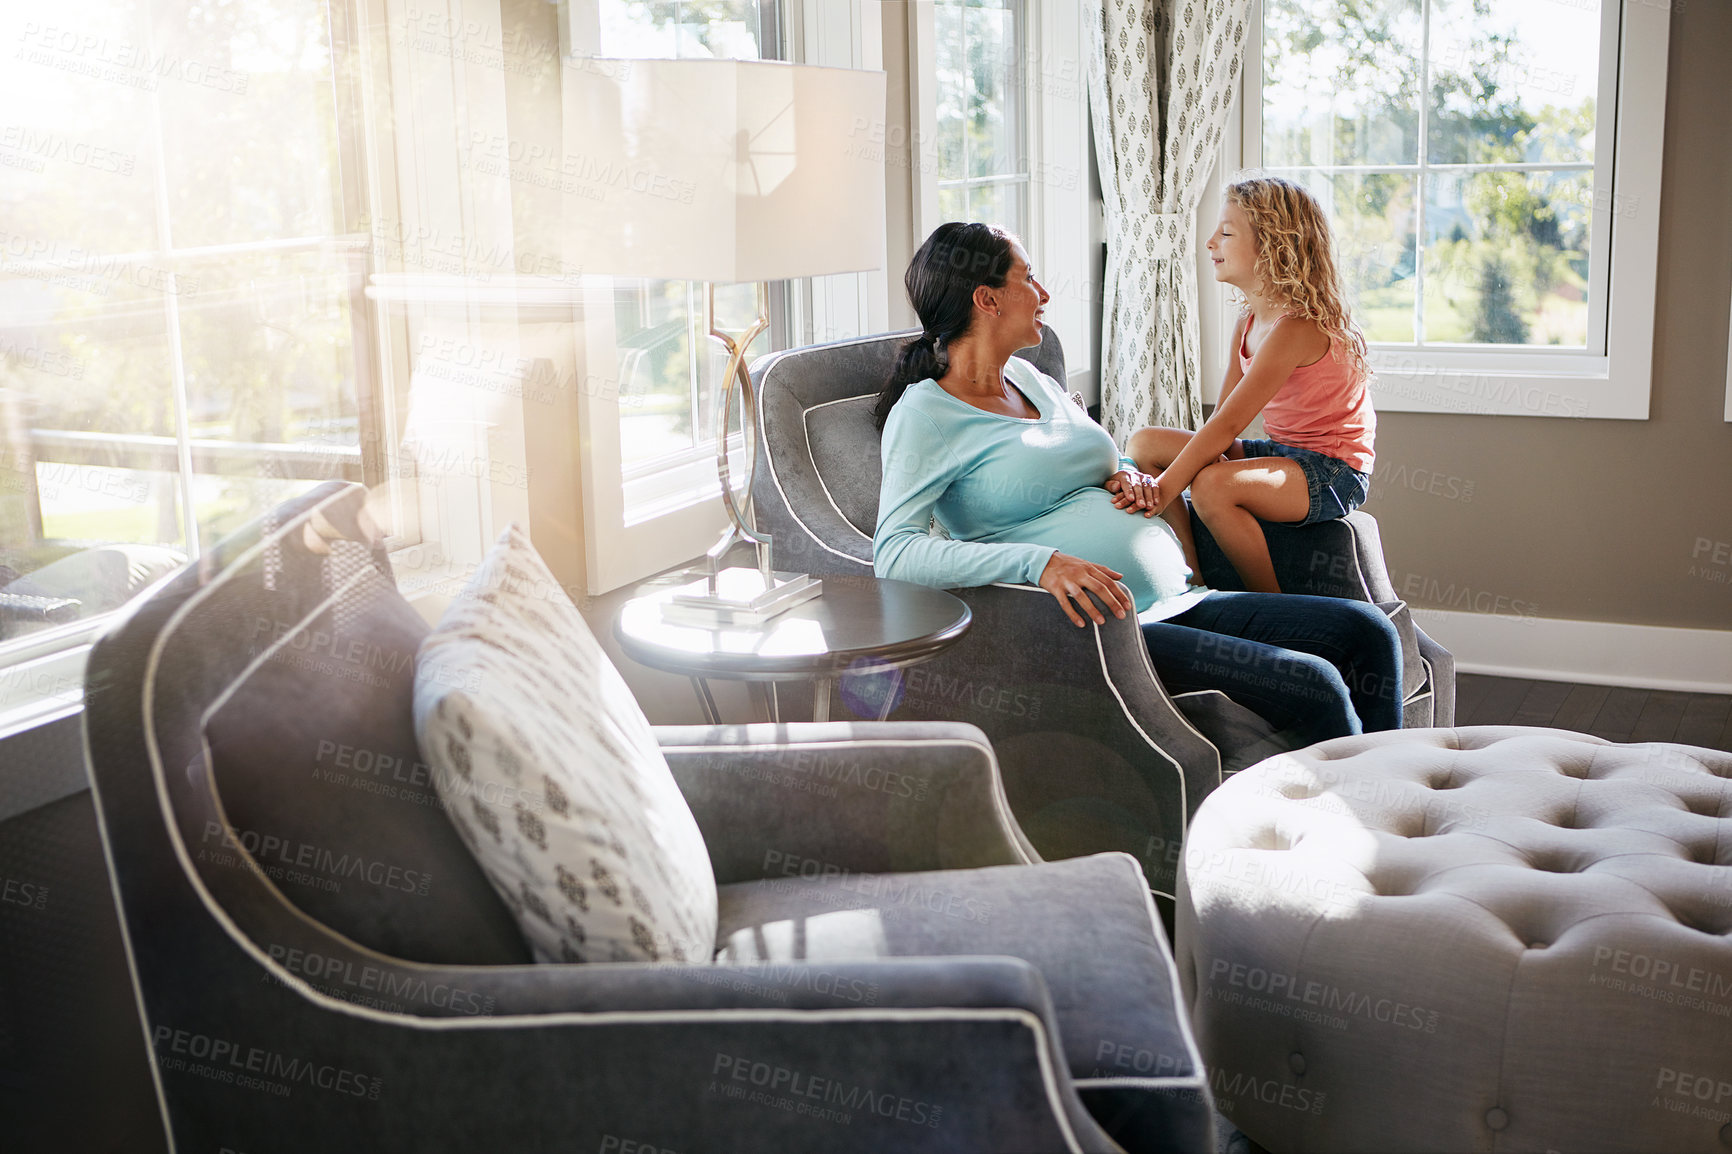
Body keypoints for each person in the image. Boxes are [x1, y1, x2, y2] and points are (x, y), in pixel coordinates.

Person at [872, 221, 1402, 746]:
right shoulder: (926, 414)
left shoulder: (1029, 378)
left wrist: (1125, 472)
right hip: (1116, 631)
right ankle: (1341, 821)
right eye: (1028, 277)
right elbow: (895, 553)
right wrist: (1039, 562)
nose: (1045, 293)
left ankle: (1401, 798)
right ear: (986, 299)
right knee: (1313, 683)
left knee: (1367, 632)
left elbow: (1089, 463)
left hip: (1185, 596)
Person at [1120, 175, 1376, 594]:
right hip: (1282, 454)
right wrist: (1160, 477)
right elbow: (1220, 420)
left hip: (1333, 470)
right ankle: (1191, 574)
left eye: (1225, 233)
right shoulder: (1249, 321)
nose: (1210, 244)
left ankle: (1269, 601)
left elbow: (1226, 429)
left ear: (1273, 246)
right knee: (1145, 443)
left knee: (1212, 487)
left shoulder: (1297, 327)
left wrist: (1161, 490)